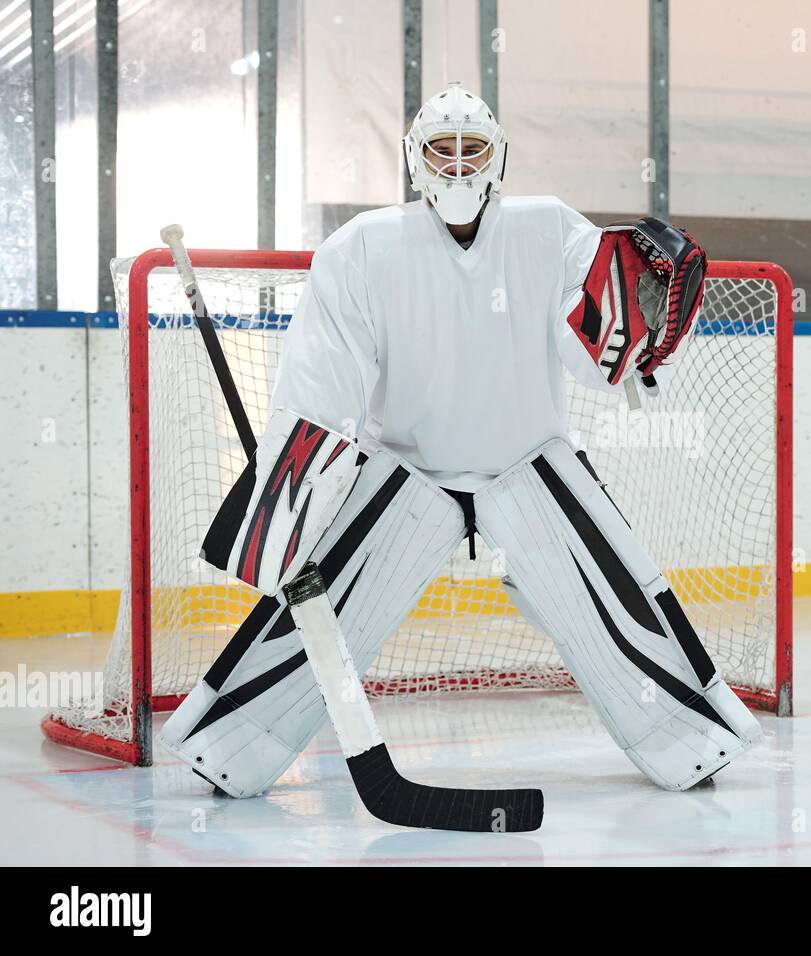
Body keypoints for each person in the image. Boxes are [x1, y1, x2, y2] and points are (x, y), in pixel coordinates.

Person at [160, 84, 762, 799]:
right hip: (410, 468)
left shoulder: (551, 229)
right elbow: (325, 377)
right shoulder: (362, 248)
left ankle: (690, 738)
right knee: (326, 605)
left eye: (469, 148)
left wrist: (637, 330)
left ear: (496, 155)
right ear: (415, 158)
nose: (454, 166)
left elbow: (593, 356)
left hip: (528, 461)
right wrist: (293, 500)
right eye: (440, 150)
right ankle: (231, 744)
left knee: (616, 599)